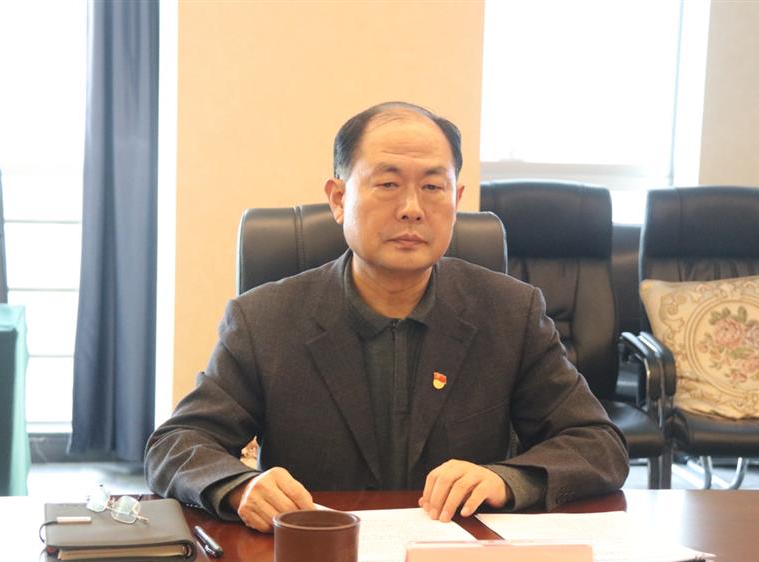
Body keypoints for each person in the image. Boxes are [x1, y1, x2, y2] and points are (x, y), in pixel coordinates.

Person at [145, 101, 628, 532]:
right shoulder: (264, 320)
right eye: (388, 184)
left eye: (433, 186)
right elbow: (177, 443)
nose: (412, 209)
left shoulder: (510, 312)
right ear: (339, 199)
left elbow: (597, 443)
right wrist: (239, 487)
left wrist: (507, 480)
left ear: (457, 200)